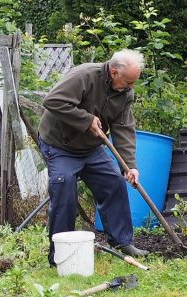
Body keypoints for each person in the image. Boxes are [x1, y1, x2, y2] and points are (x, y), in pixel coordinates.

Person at [38, 48, 150, 265]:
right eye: (128, 82)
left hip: (91, 148)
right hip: (60, 144)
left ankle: (122, 241)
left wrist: (129, 166)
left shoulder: (125, 93)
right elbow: (52, 101)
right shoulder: (85, 76)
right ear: (114, 71)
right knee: (64, 188)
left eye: (133, 83)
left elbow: (124, 128)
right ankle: (61, 254)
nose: (131, 88)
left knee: (114, 182)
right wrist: (86, 119)